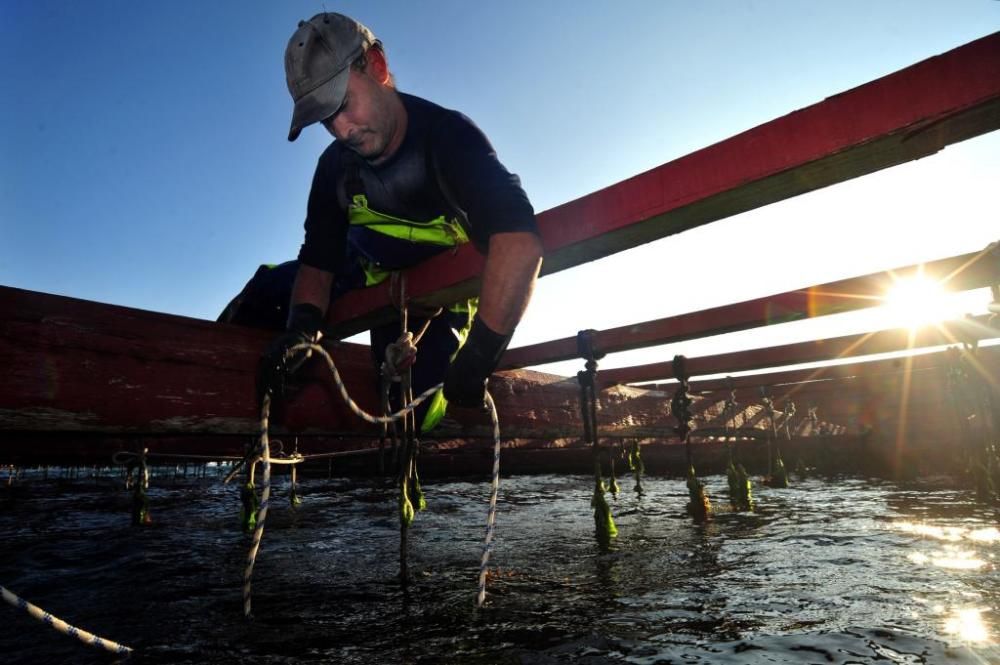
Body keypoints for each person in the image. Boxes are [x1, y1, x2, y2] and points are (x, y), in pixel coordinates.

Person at [256, 12, 543, 432]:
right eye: (325, 119)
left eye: (342, 105)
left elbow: (519, 241)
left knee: (415, 414)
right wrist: (301, 331)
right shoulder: (334, 168)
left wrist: (482, 352)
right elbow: (318, 263)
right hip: (370, 271)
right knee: (263, 297)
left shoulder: (448, 137)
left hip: (441, 292)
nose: (341, 129)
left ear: (377, 66)